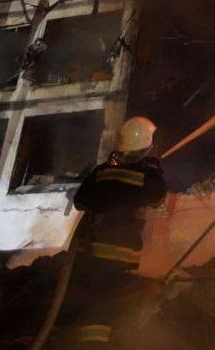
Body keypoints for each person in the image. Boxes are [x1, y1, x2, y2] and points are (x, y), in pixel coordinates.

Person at [56, 116, 166, 345]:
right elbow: (157, 197)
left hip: (88, 251)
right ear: (147, 143)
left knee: (91, 301)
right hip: (119, 251)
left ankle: (84, 340)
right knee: (107, 304)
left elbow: (81, 200)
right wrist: (154, 168)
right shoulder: (147, 174)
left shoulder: (103, 171)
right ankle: (99, 344)